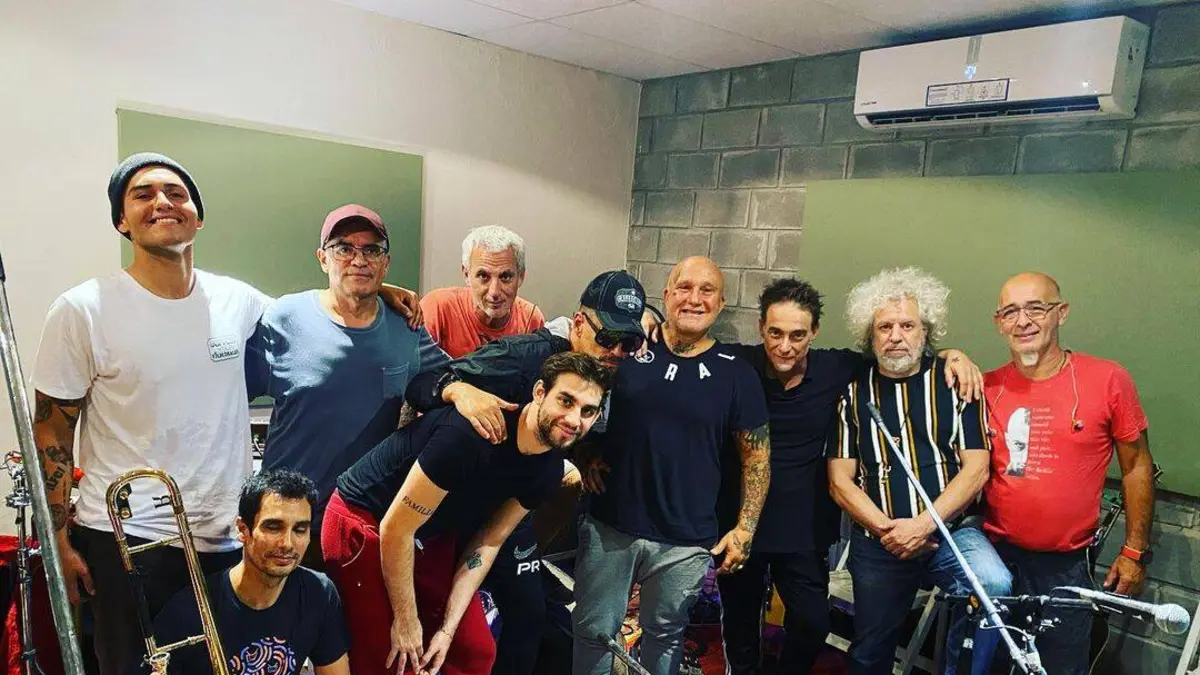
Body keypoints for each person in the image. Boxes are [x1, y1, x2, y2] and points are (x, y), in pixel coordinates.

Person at [30, 153, 420, 675]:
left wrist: (375, 291)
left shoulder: (237, 300)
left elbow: (323, 313)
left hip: (225, 538)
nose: (163, 202)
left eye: (177, 194)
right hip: (128, 540)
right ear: (122, 220)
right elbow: (52, 430)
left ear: (198, 216)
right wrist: (57, 538)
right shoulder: (83, 309)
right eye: (143, 194)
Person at [712, 278, 984, 675]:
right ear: (761, 328)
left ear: (814, 332)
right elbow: (691, 351)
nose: (785, 346)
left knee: (811, 624)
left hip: (804, 530)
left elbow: (900, 353)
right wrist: (653, 327)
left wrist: (952, 356)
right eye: (775, 333)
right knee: (739, 629)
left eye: (797, 335)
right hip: (741, 523)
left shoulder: (838, 369)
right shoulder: (736, 364)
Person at [404, 269, 647, 675]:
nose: (617, 351)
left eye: (629, 343)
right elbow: (421, 385)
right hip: (451, 508)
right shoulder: (524, 358)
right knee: (445, 633)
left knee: (529, 616)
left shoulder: (607, 372)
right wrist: (457, 390)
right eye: (608, 338)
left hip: (511, 508)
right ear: (580, 324)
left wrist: (587, 455)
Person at [322, 352, 612, 675]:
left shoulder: (549, 470)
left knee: (473, 651)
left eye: (588, 411)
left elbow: (488, 543)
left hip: (427, 533)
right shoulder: (469, 436)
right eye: (566, 401)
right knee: (396, 657)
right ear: (540, 392)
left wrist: (447, 630)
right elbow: (396, 528)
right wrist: (406, 620)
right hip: (364, 520)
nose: (574, 419)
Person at [572, 256, 771, 675]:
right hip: (611, 526)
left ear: (721, 303)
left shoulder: (737, 374)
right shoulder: (627, 350)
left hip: (686, 540)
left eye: (706, 290)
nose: (694, 299)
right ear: (665, 296)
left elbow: (756, 456)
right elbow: (576, 403)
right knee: (594, 632)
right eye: (684, 287)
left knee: (664, 637)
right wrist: (585, 454)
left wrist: (745, 529)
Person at [826, 267, 1010, 675]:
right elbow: (839, 482)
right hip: (880, 540)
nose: (896, 336)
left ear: (926, 332)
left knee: (993, 586)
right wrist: (889, 531)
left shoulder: (956, 383)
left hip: (951, 531)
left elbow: (977, 468)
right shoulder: (853, 393)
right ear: (870, 336)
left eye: (907, 325)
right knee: (869, 651)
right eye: (885, 327)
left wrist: (923, 525)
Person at [245, 204, 449, 569]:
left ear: (386, 263)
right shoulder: (283, 318)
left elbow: (450, 378)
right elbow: (228, 397)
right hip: (285, 520)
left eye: (372, 250)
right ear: (323, 258)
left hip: (358, 519)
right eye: (344, 248)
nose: (359, 259)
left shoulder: (406, 327)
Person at [982, 272, 1155, 675]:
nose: (1022, 321)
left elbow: (1137, 465)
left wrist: (1134, 552)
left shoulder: (1108, 379)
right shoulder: (986, 387)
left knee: (1060, 668)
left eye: (1036, 308)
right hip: (994, 562)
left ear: (1061, 313)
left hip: (1065, 567)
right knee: (988, 666)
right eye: (1010, 312)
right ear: (999, 323)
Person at [146, 470, 349, 674]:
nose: (287, 543)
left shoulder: (319, 592)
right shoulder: (187, 612)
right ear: (243, 529)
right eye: (273, 527)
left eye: (300, 530)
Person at [420, 225, 544, 358]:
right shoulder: (438, 308)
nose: (494, 291)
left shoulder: (531, 319)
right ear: (466, 274)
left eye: (505, 277)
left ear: (521, 277)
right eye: (484, 276)